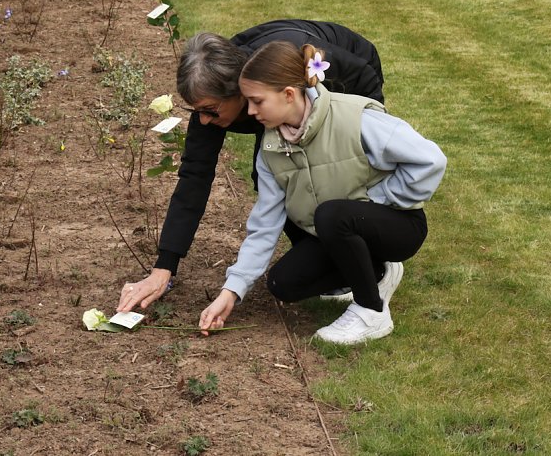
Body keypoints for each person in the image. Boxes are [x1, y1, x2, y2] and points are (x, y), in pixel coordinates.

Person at [118, 20, 386, 313]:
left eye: (210, 111)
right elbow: (194, 178)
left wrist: (365, 131)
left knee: (331, 169)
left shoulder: (287, 73)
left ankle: (374, 250)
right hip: (275, 98)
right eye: (197, 112)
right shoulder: (213, 100)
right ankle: (328, 256)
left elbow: (364, 74)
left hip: (349, 72)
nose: (203, 120)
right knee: (274, 176)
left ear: (239, 92)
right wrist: (164, 267)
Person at [198, 41, 446, 344]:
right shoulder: (271, 149)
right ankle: (378, 273)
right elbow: (265, 224)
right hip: (338, 229)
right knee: (283, 285)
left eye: (256, 101)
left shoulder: (354, 118)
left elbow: (430, 160)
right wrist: (232, 290)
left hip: (398, 227)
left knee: (331, 213)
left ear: (288, 94)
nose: (249, 111)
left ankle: (372, 312)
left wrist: (379, 199)